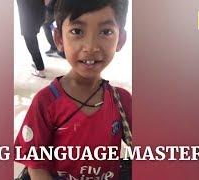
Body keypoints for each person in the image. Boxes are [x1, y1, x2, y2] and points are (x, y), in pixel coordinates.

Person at [15, 0, 131, 179]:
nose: (91, 46)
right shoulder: (46, 103)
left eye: (106, 32)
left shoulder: (122, 101)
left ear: (120, 40)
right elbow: (36, 167)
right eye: (77, 31)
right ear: (59, 39)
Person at [17, 0, 46, 78]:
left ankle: (40, 69)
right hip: (36, 15)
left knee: (31, 43)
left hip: (29, 19)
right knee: (32, 40)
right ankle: (38, 64)